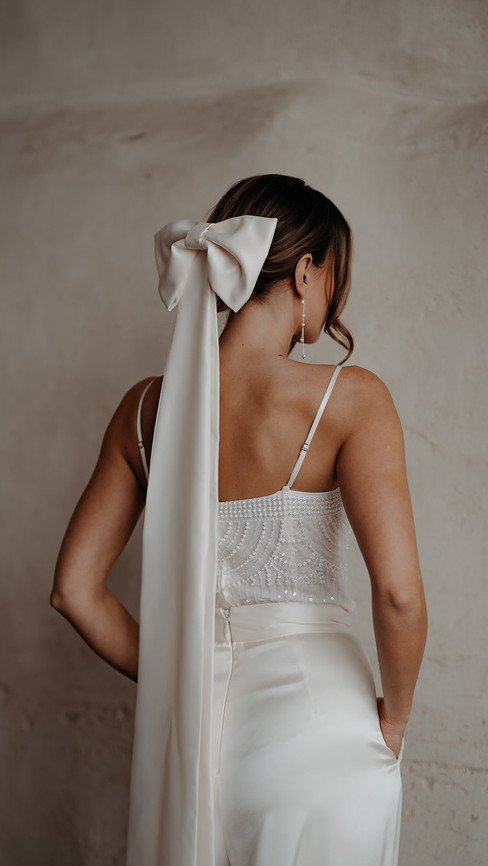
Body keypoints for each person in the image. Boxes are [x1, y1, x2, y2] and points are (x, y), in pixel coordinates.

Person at [51, 174, 428, 866]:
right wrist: (395, 721)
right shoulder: (351, 397)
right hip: (322, 738)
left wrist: (176, 678)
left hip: (193, 751)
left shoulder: (144, 409)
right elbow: (399, 595)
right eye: (335, 274)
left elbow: (74, 591)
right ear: (306, 271)